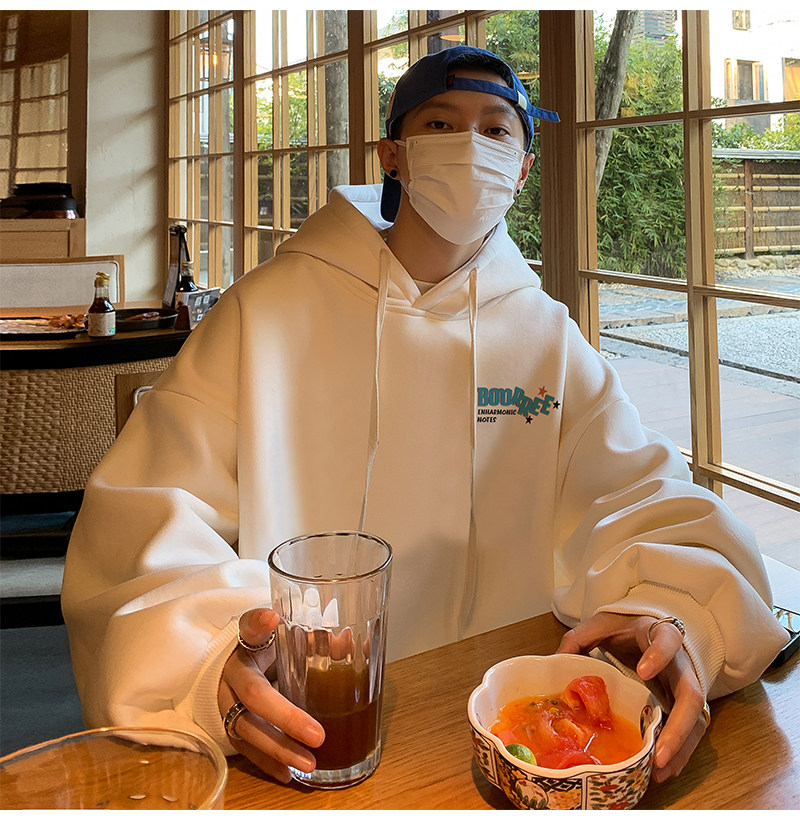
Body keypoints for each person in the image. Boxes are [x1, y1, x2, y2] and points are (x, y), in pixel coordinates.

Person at [62, 46, 787, 788]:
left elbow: (642, 496)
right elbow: (148, 517)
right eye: (441, 123)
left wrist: (674, 611)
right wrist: (212, 653)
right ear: (393, 154)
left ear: (523, 170)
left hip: (509, 733)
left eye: (496, 129)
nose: (470, 146)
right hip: (304, 725)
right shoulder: (265, 312)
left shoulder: (545, 338)